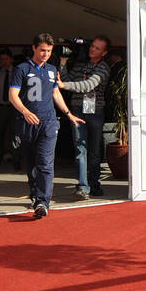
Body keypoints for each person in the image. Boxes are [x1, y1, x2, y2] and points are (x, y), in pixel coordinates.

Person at [8, 33, 84, 219]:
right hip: (27, 123)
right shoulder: (22, 69)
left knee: (45, 163)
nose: (45, 54)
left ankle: (43, 201)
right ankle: (36, 195)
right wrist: (25, 112)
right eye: (42, 50)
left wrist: (68, 114)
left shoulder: (51, 69)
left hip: (49, 122)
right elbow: (13, 95)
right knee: (32, 164)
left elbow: (56, 94)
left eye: (49, 51)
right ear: (34, 48)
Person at [58, 35, 111, 199]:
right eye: (92, 46)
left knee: (94, 152)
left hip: (95, 112)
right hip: (77, 110)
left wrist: (64, 85)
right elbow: (65, 80)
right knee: (80, 149)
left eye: (97, 48)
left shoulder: (104, 68)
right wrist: (63, 63)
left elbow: (87, 85)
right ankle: (83, 186)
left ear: (104, 53)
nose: (92, 49)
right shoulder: (80, 65)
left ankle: (94, 184)